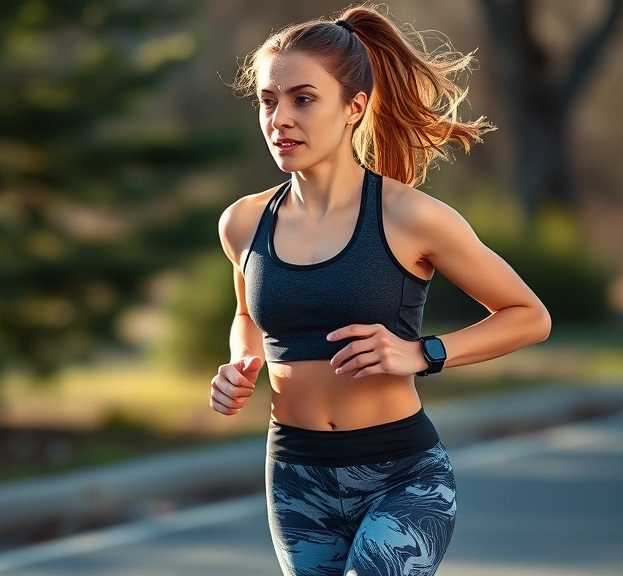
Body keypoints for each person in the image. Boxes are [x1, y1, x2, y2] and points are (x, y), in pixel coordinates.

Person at [212, 5, 551, 575]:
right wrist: (239, 361)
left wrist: (423, 353)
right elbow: (248, 313)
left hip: (402, 475)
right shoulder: (243, 223)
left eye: (303, 98)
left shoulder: (410, 216)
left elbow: (527, 315)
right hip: (296, 476)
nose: (280, 118)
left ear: (355, 107)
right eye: (269, 101)